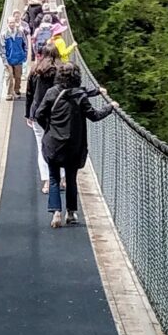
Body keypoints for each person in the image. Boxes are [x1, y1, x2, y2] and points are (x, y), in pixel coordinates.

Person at [36, 63, 111, 227]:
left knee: (54, 178)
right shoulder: (79, 96)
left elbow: (38, 114)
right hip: (73, 146)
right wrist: (110, 107)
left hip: (53, 143)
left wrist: (48, 129)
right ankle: (71, 213)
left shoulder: (51, 92)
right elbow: (95, 115)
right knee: (71, 179)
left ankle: (56, 213)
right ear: (76, 77)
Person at [24, 55, 58, 192]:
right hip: (55, 114)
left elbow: (29, 94)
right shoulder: (59, 73)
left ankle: (47, 182)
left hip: (37, 113)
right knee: (58, 146)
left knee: (41, 147)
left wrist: (28, 114)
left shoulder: (34, 71)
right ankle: (60, 179)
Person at [1, 16, 28, 99]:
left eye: (13, 22)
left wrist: (25, 55)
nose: (12, 24)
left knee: (18, 76)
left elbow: (25, 44)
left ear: (15, 23)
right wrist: (4, 59)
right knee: (9, 76)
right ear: (7, 23)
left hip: (18, 58)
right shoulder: (4, 34)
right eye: (10, 22)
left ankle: (16, 90)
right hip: (8, 59)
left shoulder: (20, 33)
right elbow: (2, 48)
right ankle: (9, 93)